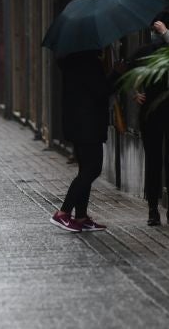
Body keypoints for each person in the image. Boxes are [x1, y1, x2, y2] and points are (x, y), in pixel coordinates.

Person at [51, 49, 122, 233]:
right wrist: (116, 73)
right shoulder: (88, 62)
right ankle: (63, 212)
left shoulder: (71, 59)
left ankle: (80, 216)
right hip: (88, 124)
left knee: (85, 169)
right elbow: (101, 91)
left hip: (77, 124)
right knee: (93, 168)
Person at [131, 12, 169, 226]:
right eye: (154, 30)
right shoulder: (144, 52)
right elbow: (128, 74)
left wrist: (166, 33)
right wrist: (135, 91)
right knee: (153, 162)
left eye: (158, 30)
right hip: (152, 112)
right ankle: (153, 210)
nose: (155, 34)